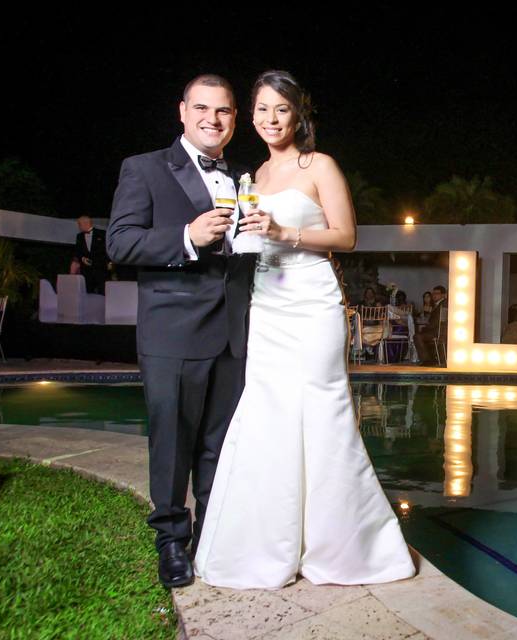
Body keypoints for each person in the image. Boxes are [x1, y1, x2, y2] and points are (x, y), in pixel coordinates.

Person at [194, 70, 415, 589]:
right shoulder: (252, 179)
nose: (272, 120)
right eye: (263, 110)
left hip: (313, 305)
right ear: (252, 117)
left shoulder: (320, 166)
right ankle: (267, 546)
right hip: (267, 307)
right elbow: (252, 243)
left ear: (298, 116)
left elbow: (348, 236)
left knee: (324, 415)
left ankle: (347, 550)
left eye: (282, 110)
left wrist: (285, 231)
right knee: (267, 418)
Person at [107, 74, 254, 589]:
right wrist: (186, 237)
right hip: (173, 333)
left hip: (233, 334)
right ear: (183, 111)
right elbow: (120, 243)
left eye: (224, 111)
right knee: (172, 443)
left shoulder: (245, 178)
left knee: (219, 444)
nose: (213, 119)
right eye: (203, 108)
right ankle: (171, 539)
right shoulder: (144, 168)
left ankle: (212, 534)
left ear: (234, 120)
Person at [72, 215, 112, 293]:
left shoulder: (102, 233)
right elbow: (77, 251)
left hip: (101, 269)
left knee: (103, 292)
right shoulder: (79, 236)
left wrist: (110, 262)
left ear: (85, 224)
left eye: (79, 224)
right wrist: (83, 258)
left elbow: (109, 249)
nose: (79, 227)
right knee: (87, 292)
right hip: (86, 271)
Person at [415, 285, 447, 365]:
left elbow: (437, 321)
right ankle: (431, 358)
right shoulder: (437, 305)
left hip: (438, 332)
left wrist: (425, 328)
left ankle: (427, 360)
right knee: (420, 334)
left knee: (417, 336)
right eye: (433, 293)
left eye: (437, 293)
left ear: (443, 295)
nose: (434, 295)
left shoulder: (443, 305)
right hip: (436, 330)